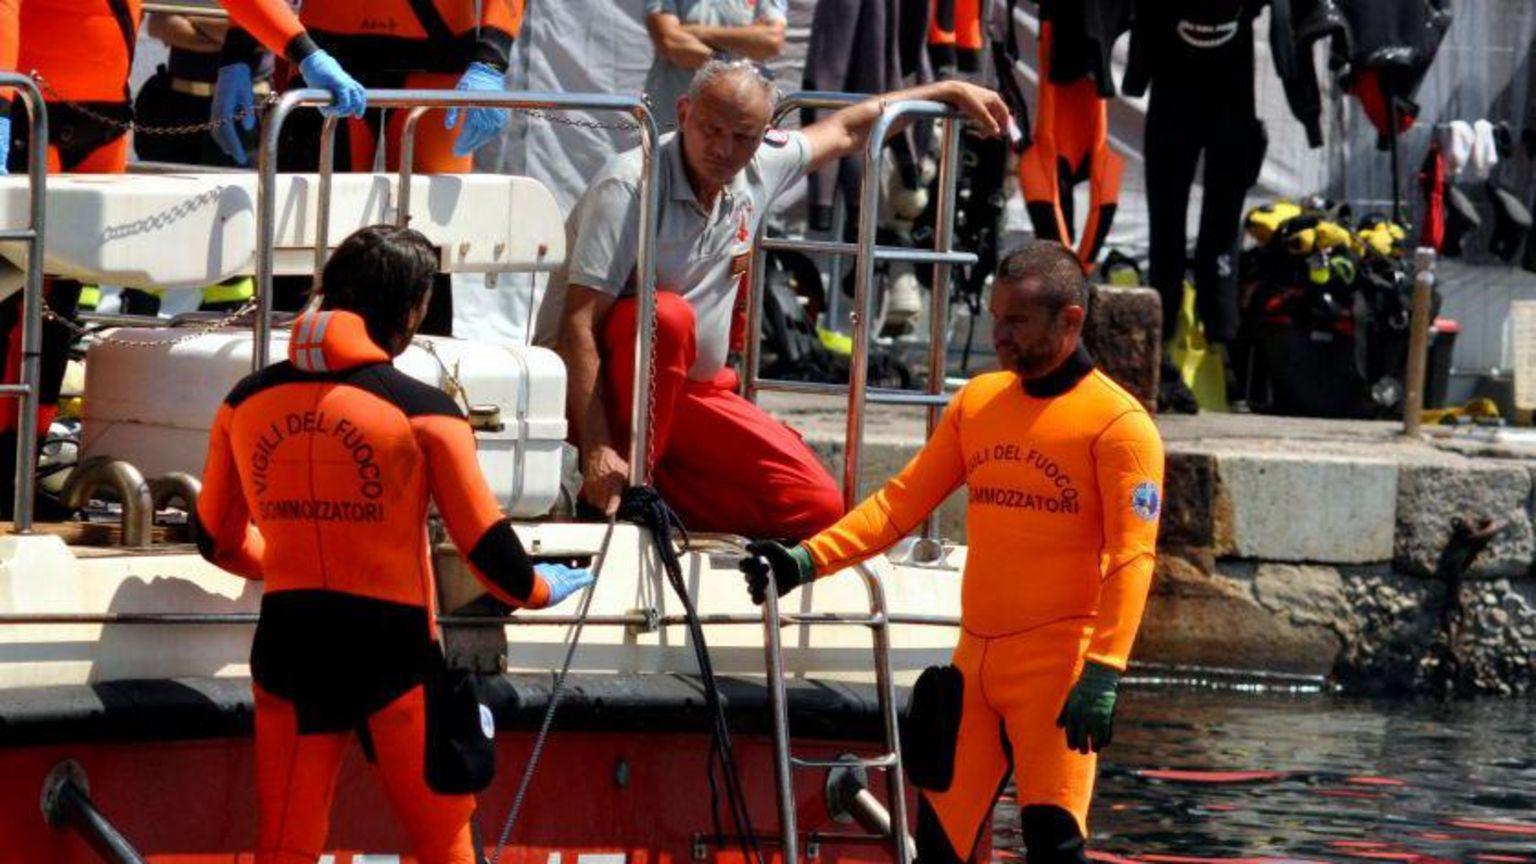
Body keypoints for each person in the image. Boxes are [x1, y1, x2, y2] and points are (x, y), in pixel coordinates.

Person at [741, 240, 1165, 864]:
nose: (999, 335)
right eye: (995, 317)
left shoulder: (1119, 427)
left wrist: (1104, 670)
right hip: (975, 666)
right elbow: (897, 506)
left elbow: (1134, 556)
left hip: (1057, 673)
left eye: (1016, 321)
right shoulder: (979, 403)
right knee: (941, 849)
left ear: (1069, 322)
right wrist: (804, 561)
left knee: (1055, 844)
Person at [194, 225, 593, 864]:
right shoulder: (425, 410)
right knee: (442, 840)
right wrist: (544, 587)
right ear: (412, 310)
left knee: (286, 846)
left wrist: (282, 564)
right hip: (393, 652)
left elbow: (214, 539)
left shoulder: (243, 401)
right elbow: (489, 551)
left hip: (290, 639)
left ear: (329, 291)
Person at [533, 60, 1010, 540]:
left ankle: (658, 506)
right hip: (601, 390)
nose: (722, 149)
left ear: (764, 134)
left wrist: (946, 89)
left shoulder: (762, 165)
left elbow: (848, 130)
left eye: (742, 137)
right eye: (710, 129)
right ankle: (625, 497)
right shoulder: (630, 184)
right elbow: (578, 323)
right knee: (668, 316)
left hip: (695, 390)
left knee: (818, 507)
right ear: (683, 112)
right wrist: (596, 450)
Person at [0, 0, 362, 517]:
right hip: (26, 110)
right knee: (12, 297)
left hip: (103, 121)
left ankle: (18, 472)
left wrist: (304, 52)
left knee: (57, 307)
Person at [211, 0, 525, 171]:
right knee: (307, 234)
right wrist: (239, 50)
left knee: (432, 244)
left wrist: (491, 61)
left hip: (438, 60)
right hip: (325, 57)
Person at [644, 0, 787, 131]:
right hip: (674, 119)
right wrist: (742, 44)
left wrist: (696, 32)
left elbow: (771, 40)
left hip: (739, 122)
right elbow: (669, 41)